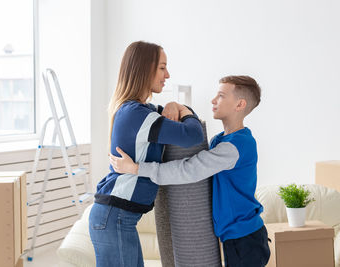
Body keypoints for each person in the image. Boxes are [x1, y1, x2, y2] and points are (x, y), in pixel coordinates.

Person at [110, 75, 271, 267]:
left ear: (240, 104)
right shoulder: (222, 140)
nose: (213, 100)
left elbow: (189, 170)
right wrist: (176, 106)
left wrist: (136, 169)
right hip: (237, 236)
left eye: (221, 96)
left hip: (245, 238)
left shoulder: (235, 146)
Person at [89, 40, 204, 267]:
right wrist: (185, 110)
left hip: (118, 218)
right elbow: (192, 134)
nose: (167, 74)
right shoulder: (138, 115)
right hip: (115, 217)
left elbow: (176, 120)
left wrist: (173, 104)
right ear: (144, 69)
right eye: (162, 67)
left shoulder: (141, 111)